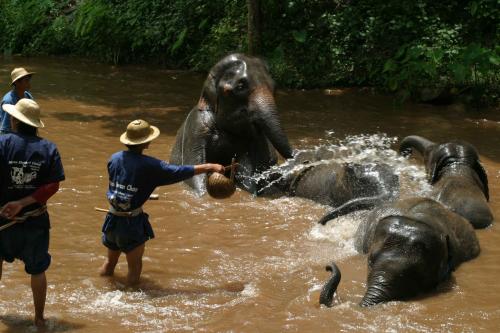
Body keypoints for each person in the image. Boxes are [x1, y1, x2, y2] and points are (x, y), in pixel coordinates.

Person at [99, 119, 224, 286]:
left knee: (109, 264)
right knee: (134, 268)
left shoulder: (114, 158)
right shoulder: (151, 166)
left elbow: (123, 182)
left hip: (111, 219)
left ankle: (100, 287)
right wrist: (209, 166)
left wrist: (142, 192)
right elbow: (179, 172)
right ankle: (129, 300)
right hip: (130, 223)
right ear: (147, 142)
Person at [0, 99, 65, 328]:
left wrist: (12, 203)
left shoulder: (2, 143)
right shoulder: (49, 148)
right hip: (35, 221)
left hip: (2, 220)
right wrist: (23, 202)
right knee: (37, 269)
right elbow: (53, 186)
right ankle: (39, 318)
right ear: (35, 124)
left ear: (15, 120)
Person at [1, 67, 35, 134]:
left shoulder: (28, 96)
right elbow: (5, 129)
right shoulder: (9, 101)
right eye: (26, 81)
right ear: (17, 83)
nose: (29, 83)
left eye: (29, 80)